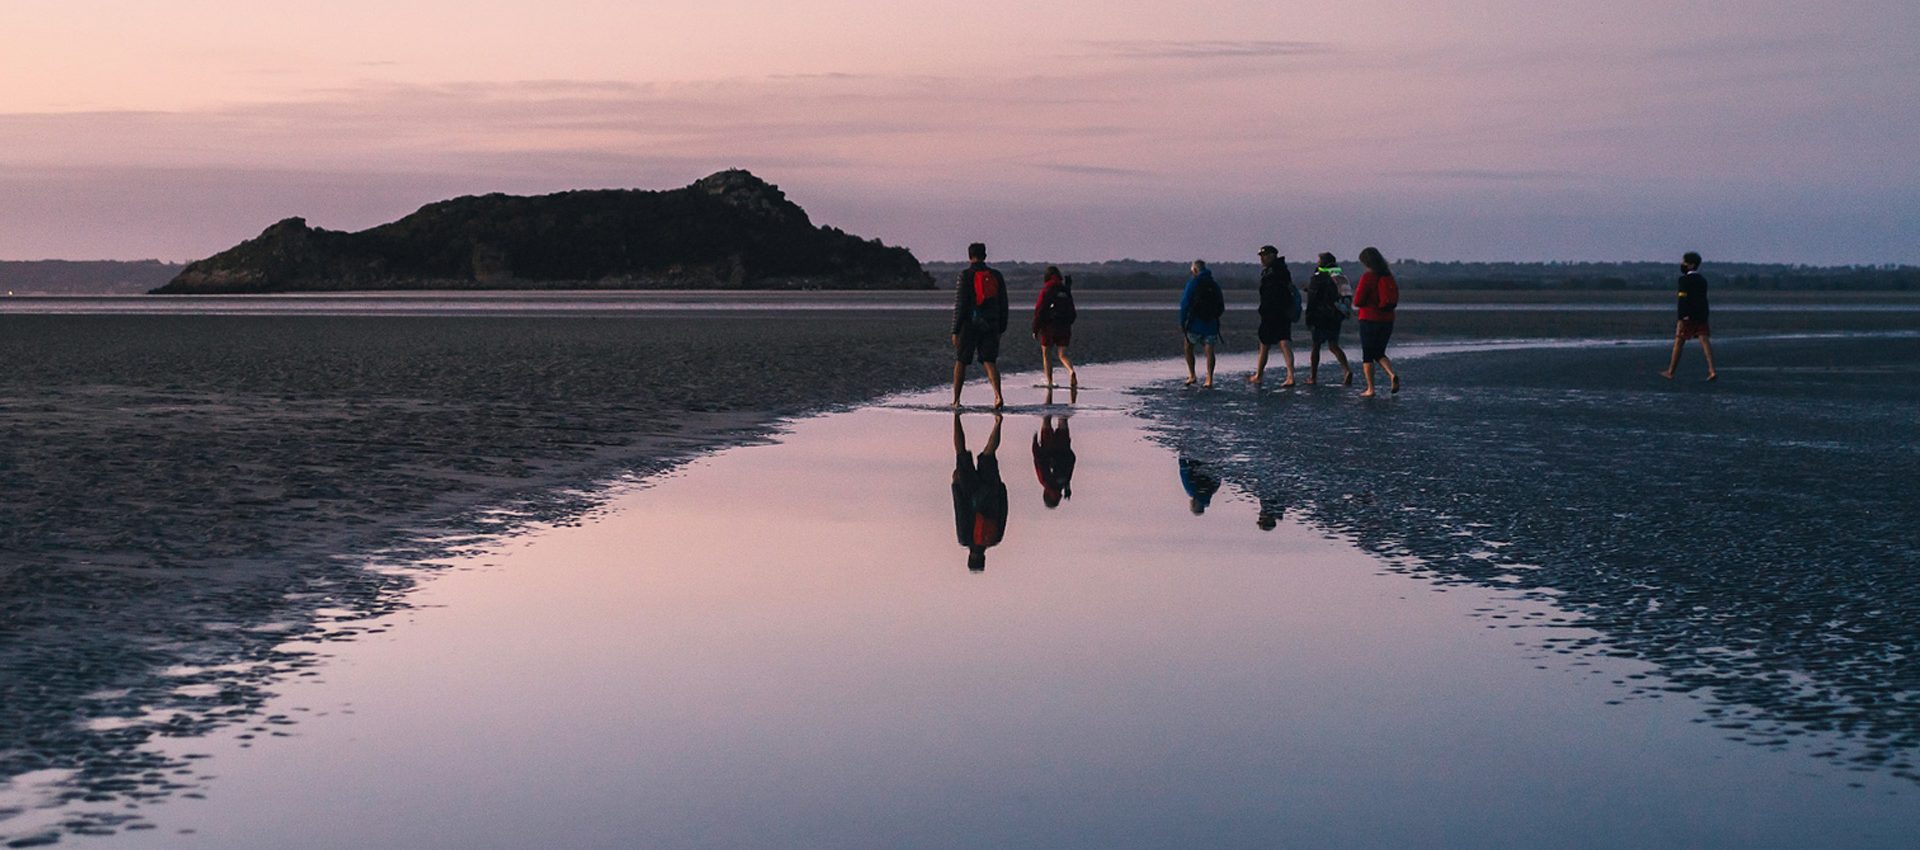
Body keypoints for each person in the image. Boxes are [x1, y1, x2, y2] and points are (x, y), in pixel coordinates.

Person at [951, 242, 1009, 408]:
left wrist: (955, 330)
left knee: (961, 361)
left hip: (969, 325)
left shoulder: (965, 275)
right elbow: (1003, 303)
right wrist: (1001, 328)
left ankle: (956, 400)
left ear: (970, 257)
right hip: (991, 324)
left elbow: (960, 304)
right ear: (985, 255)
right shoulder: (997, 275)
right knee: (990, 361)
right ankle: (998, 396)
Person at [952, 412, 1008, 572]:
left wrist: (1001, 489)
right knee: (960, 452)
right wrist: (955, 486)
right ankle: (956, 416)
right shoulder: (964, 539)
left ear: (984, 558)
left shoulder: (995, 539)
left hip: (991, 492)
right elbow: (960, 511)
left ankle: (998, 422)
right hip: (968, 491)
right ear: (969, 557)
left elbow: (1004, 513)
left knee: (989, 453)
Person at [1660, 251, 1719, 381]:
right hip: (1702, 314)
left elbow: (1682, 299)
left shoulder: (1684, 280)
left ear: (1691, 265)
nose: (1682, 264)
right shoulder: (1702, 280)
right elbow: (1703, 299)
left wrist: (1682, 317)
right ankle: (1712, 370)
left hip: (1688, 316)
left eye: (1684, 262)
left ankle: (1670, 371)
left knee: (1679, 342)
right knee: (1704, 341)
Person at [1352, 246, 1402, 397]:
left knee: (1368, 354)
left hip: (1369, 318)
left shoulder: (1368, 277)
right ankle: (1391, 374)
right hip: (1387, 319)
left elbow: (1358, 301)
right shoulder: (1388, 276)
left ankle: (1370, 388)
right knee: (1379, 352)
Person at [1249, 245, 1298, 387]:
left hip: (1274, 312)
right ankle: (1286, 375)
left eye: (1264, 256)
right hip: (1278, 312)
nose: (1262, 259)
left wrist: (1268, 309)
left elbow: (1275, 294)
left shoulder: (1276, 271)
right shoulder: (1279, 270)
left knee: (1273, 342)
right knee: (1276, 342)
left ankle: (1263, 375)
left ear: (1272, 255)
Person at [1303, 255, 1354, 386]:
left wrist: (1309, 317)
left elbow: (1313, 299)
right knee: (1333, 345)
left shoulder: (1318, 277)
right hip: (1335, 316)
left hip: (1319, 317)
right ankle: (1346, 370)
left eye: (1319, 260)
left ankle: (1313, 377)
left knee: (1316, 346)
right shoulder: (1341, 276)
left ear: (1323, 263)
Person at [1178, 259, 1225, 387]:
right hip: (1211, 323)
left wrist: (1182, 321)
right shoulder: (1214, 284)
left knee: (1188, 346)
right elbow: (1221, 304)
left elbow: (1185, 304)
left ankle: (1192, 375)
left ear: (1194, 270)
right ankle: (1209, 379)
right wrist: (1214, 316)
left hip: (1195, 323)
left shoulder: (1193, 283)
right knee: (1209, 351)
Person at [1031, 266, 1078, 389]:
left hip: (1049, 327)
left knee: (1046, 354)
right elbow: (1072, 311)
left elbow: (1039, 310)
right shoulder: (1065, 290)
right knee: (1062, 355)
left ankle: (1050, 381)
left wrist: (1035, 328)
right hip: (1064, 326)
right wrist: (1068, 323)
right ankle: (1070, 371)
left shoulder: (1046, 290)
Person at [1031, 414, 1076, 508]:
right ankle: (1060, 403)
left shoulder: (1051, 481)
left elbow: (1038, 461)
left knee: (1056, 419)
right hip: (1055, 447)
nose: (1058, 496)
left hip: (1055, 446)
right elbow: (1038, 461)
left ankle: (1060, 404)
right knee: (1051, 418)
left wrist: (1035, 445)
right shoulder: (1059, 483)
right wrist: (1034, 445)